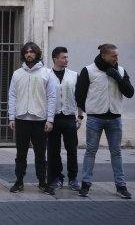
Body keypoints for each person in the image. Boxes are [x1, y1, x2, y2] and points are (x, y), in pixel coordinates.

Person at [75, 44, 135, 199]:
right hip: (95, 118)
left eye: (117, 55)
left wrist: (118, 77)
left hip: (115, 118)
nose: (117, 58)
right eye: (114, 55)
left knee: (116, 153)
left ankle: (121, 186)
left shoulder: (120, 71)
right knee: (90, 152)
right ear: (104, 56)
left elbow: (130, 93)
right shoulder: (88, 70)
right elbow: (79, 95)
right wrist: (90, 109)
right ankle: (86, 184)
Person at [7, 42, 56, 194]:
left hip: (40, 120)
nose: (29, 54)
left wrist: (50, 119)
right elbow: (12, 96)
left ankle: (42, 182)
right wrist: (11, 117)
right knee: (20, 154)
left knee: (41, 154)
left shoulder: (47, 73)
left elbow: (52, 97)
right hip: (21, 119)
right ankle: (19, 181)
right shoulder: (17, 74)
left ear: (37, 54)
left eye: (32, 52)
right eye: (26, 52)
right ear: (23, 54)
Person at [46, 47, 83, 192]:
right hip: (53, 118)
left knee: (72, 150)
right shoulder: (47, 75)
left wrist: (79, 116)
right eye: (63, 57)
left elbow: (79, 97)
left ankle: (73, 178)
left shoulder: (74, 75)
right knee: (54, 151)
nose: (66, 60)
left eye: (67, 57)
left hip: (69, 117)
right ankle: (57, 178)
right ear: (55, 59)